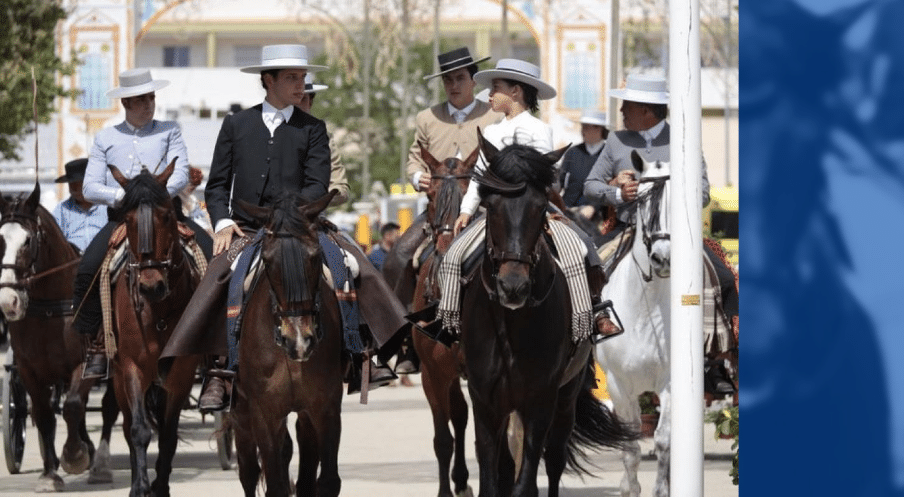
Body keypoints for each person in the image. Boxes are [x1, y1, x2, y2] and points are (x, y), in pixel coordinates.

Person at [160, 44, 407, 412]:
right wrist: (224, 221)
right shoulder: (236, 125)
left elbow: (317, 182)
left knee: (349, 266)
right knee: (217, 277)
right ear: (268, 81)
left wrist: (292, 216)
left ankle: (360, 351)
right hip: (247, 228)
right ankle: (218, 371)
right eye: (292, 77)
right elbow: (217, 184)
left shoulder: (313, 128)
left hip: (301, 224)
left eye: (302, 77)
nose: (300, 84)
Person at [439, 58, 621, 342]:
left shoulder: (539, 130)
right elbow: (479, 177)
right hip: (496, 214)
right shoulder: (491, 131)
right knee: (452, 256)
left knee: (582, 249)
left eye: (496, 88)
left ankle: (591, 315)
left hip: (536, 212)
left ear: (515, 91)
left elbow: (544, 180)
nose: (488, 95)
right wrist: (466, 210)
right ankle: (449, 321)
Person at [583, 74, 737, 393]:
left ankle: (717, 358)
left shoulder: (684, 138)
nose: (622, 110)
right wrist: (616, 192)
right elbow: (590, 187)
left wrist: (670, 193)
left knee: (722, 274)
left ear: (647, 111)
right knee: (584, 269)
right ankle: (583, 350)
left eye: (628, 105)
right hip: (627, 230)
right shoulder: (616, 141)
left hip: (675, 233)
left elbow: (704, 192)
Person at [382, 47, 501, 374]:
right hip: (439, 212)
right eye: (448, 79)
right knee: (400, 256)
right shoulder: (426, 118)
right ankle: (407, 337)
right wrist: (416, 176)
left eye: (460, 78)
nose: (453, 85)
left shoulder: (493, 116)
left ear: (473, 81)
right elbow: (413, 159)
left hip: (484, 210)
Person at [72, 68, 190, 379]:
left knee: (209, 258)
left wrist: (155, 195)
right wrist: (125, 198)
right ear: (126, 103)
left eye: (151, 97)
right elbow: (89, 187)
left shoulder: (170, 130)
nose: (149, 104)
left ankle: (215, 355)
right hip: (124, 219)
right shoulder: (105, 137)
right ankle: (97, 344)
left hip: (166, 217)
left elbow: (180, 174)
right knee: (88, 267)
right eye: (141, 99)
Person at [298, 73, 350, 206]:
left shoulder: (323, 138)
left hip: (311, 216)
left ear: (310, 102)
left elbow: (340, 187)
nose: (296, 106)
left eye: (302, 99)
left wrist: (316, 196)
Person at [51, 158, 108, 253]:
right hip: (72, 259)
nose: (75, 189)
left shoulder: (107, 206)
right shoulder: (62, 209)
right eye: (71, 184)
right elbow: (53, 237)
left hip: (104, 257)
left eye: (79, 184)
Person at [558, 109, 609, 213]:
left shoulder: (609, 154)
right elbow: (560, 180)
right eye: (582, 127)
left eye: (586, 127)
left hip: (596, 215)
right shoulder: (572, 152)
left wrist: (593, 207)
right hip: (567, 210)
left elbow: (610, 187)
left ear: (598, 129)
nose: (582, 131)